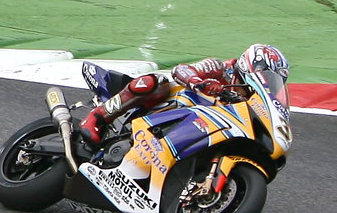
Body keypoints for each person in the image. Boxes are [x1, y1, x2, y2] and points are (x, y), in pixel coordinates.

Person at [79, 44, 289, 146]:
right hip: (168, 103)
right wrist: (200, 83)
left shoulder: (249, 102)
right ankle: (97, 117)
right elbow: (181, 69)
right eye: (266, 75)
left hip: (195, 129)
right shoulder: (222, 68)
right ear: (252, 66)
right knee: (156, 83)